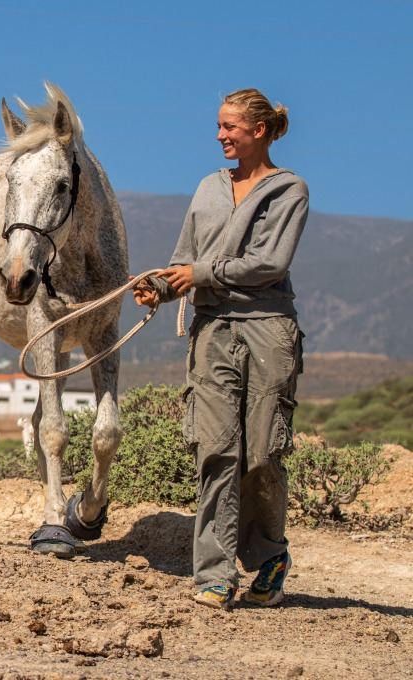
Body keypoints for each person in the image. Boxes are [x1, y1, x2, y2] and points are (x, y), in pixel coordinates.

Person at [133, 88, 308, 610]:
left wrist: (199, 274)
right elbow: (184, 258)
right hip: (211, 330)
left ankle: (270, 555)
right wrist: (161, 287)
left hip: (268, 329)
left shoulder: (289, 190)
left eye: (229, 126)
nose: (219, 135)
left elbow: (270, 264)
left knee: (262, 454)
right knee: (215, 449)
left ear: (259, 130)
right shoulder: (208, 188)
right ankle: (214, 574)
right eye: (219, 126)